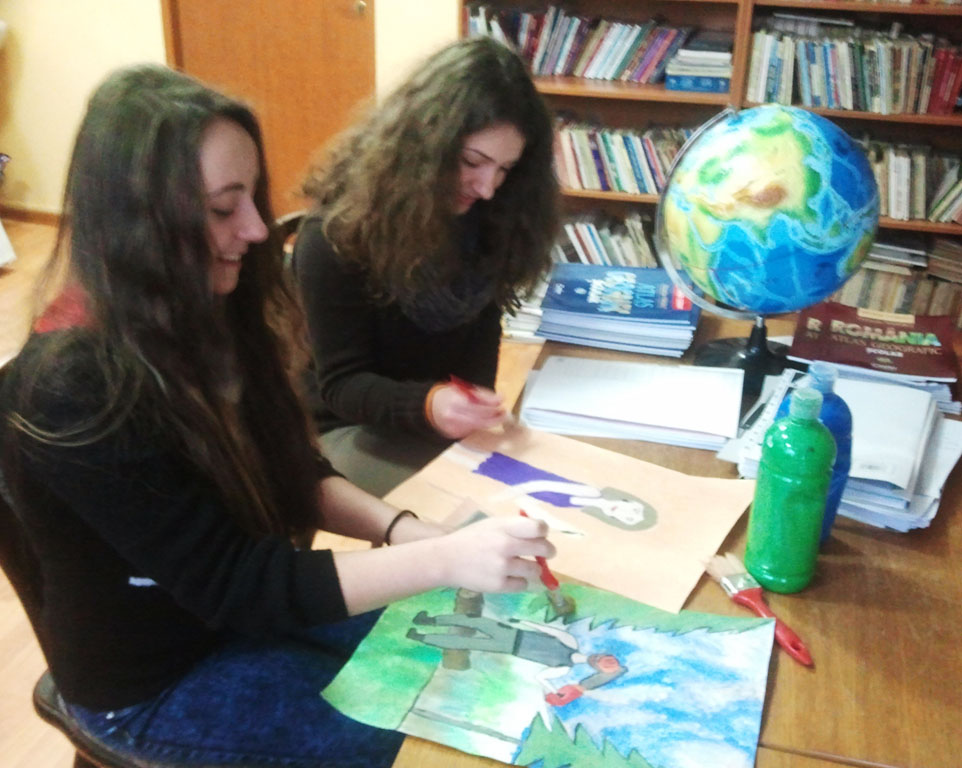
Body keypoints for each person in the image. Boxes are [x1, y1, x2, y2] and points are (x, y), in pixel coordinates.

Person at [0, 64, 555, 768]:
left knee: (489, 678)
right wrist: (443, 557)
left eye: (252, 198)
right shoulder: (71, 385)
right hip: (156, 681)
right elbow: (238, 586)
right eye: (223, 208)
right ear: (138, 220)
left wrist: (406, 530)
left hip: (235, 620)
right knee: (440, 745)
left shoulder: (212, 308)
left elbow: (292, 468)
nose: (259, 228)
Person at [294, 36, 560, 497]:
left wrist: (474, 405)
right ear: (424, 145)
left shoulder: (482, 222)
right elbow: (342, 386)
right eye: (473, 162)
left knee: (536, 488)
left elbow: (481, 337)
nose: (488, 188)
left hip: (432, 426)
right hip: (345, 431)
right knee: (482, 505)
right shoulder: (335, 235)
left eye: (504, 169)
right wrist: (431, 404)